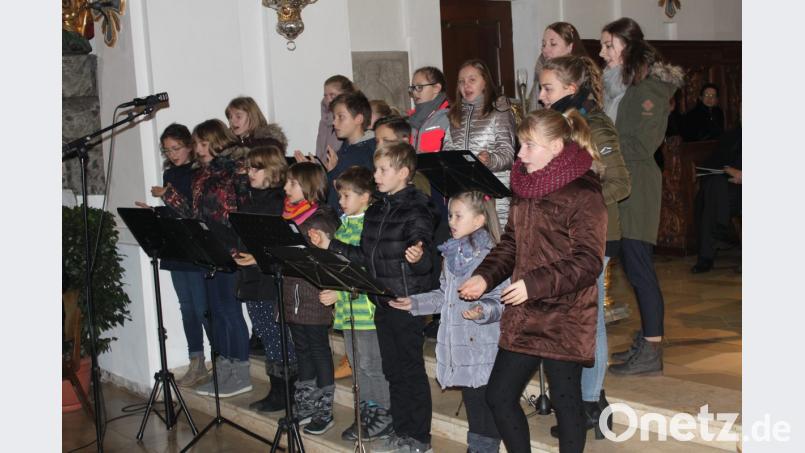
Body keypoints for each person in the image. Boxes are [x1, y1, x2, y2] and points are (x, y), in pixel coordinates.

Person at [459, 109, 606, 453]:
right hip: (525, 312)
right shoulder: (525, 185)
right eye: (520, 144)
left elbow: (588, 261)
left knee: (567, 405)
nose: (520, 154)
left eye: (528, 145)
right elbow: (512, 242)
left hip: (565, 314)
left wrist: (533, 284)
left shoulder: (583, 192)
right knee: (499, 396)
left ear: (556, 146)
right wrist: (485, 275)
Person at [309, 142, 437, 453]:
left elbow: (425, 256)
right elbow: (364, 256)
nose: (376, 175)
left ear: (404, 173)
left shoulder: (417, 207)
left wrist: (418, 255)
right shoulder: (378, 209)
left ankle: (419, 437)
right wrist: (331, 246)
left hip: (406, 303)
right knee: (392, 370)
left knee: (410, 369)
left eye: (383, 170)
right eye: (376, 169)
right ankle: (401, 429)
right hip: (381, 300)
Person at [538, 54, 632, 439]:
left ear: (571, 89)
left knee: (589, 321)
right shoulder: (556, 125)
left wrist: (578, 207)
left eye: (548, 88)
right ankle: (582, 399)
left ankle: (591, 401)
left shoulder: (594, 124)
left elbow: (621, 183)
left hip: (594, 235)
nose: (541, 96)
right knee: (569, 320)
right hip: (563, 237)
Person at [390, 191, 507, 453]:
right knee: (473, 402)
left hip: (482, 345)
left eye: (458, 216)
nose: (451, 221)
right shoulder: (452, 253)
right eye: (450, 214)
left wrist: (481, 310)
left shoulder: (491, 255)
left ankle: (484, 449)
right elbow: (445, 296)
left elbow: (501, 301)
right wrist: (416, 303)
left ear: (478, 221)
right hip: (459, 344)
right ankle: (476, 447)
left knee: (483, 403)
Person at [599, 17, 684, 376]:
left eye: (608, 46)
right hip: (618, 179)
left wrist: (599, 151)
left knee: (640, 268)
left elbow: (642, 143)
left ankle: (652, 349)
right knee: (633, 269)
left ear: (627, 46)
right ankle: (647, 341)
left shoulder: (649, 87)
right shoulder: (620, 85)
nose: (602, 54)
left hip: (636, 184)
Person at [158, 119, 254, 397]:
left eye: (201, 143)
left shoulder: (235, 171)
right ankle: (224, 372)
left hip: (229, 251)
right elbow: (194, 214)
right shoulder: (200, 175)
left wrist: (237, 246)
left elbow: (241, 210)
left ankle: (241, 373)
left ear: (215, 141)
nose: (197, 148)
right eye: (197, 144)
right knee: (218, 312)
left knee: (231, 312)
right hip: (208, 251)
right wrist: (170, 200)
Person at [318, 166, 393, 441]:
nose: (340, 202)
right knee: (358, 367)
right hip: (348, 313)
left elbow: (364, 271)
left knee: (372, 366)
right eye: (340, 196)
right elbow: (338, 267)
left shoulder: (367, 228)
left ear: (365, 197)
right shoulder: (344, 225)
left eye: (346, 196)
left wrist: (339, 293)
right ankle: (366, 412)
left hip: (366, 313)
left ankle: (382, 414)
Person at [142, 123, 212, 387]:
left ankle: (219, 358)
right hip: (176, 246)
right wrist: (154, 211)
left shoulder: (198, 172)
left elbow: (193, 212)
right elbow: (173, 212)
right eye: (167, 150)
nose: (172, 155)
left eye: (177, 148)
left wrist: (168, 195)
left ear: (189, 146)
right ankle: (196, 360)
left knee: (203, 307)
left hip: (195, 246)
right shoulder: (170, 173)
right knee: (187, 308)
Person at [231, 146, 299, 413]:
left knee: (278, 337)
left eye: (256, 167)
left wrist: (257, 259)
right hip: (252, 280)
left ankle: (287, 392)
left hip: (271, 282)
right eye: (248, 167)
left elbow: (282, 247)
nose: (250, 172)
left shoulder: (278, 203)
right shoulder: (252, 201)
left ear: (273, 170)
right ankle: (277, 390)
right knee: (268, 336)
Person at [279, 162, 340, 434]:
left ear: (308, 186)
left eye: (292, 183)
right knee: (301, 348)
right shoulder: (286, 217)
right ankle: (306, 402)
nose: (285, 187)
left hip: (314, 295)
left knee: (318, 349)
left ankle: (324, 409)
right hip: (291, 293)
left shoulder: (321, 219)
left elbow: (330, 260)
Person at [443, 59, 516, 225]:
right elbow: (448, 148)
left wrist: (490, 160)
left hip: (493, 197)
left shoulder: (499, 111)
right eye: (461, 81)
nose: (465, 85)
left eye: (472, 80)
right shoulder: (455, 114)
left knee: (494, 246)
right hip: (463, 197)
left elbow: (508, 154)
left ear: (485, 82)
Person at [691, 126, 742, 273]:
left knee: (711, 197)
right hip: (729, 189)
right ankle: (720, 228)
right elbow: (715, 161)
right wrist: (727, 169)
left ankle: (706, 256)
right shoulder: (732, 134)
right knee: (713, 187)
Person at [526, 22, 589, 112]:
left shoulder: (583, 76)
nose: (545, 50)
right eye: (544, 44)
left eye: (553, 44)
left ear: (570, 47)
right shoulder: (541, 72)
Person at [407, 66, 450, 153]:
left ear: (436, 88)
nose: (414, 92)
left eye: (419, 87)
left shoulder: (449, 118)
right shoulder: (412, 120)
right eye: (413, 88)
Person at [315, 75, 357, 163]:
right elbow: (320, 153)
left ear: (346, 95)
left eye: (332, 95)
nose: (328, 100)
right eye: (325, 96)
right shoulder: (324, 121)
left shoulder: (351, 119)